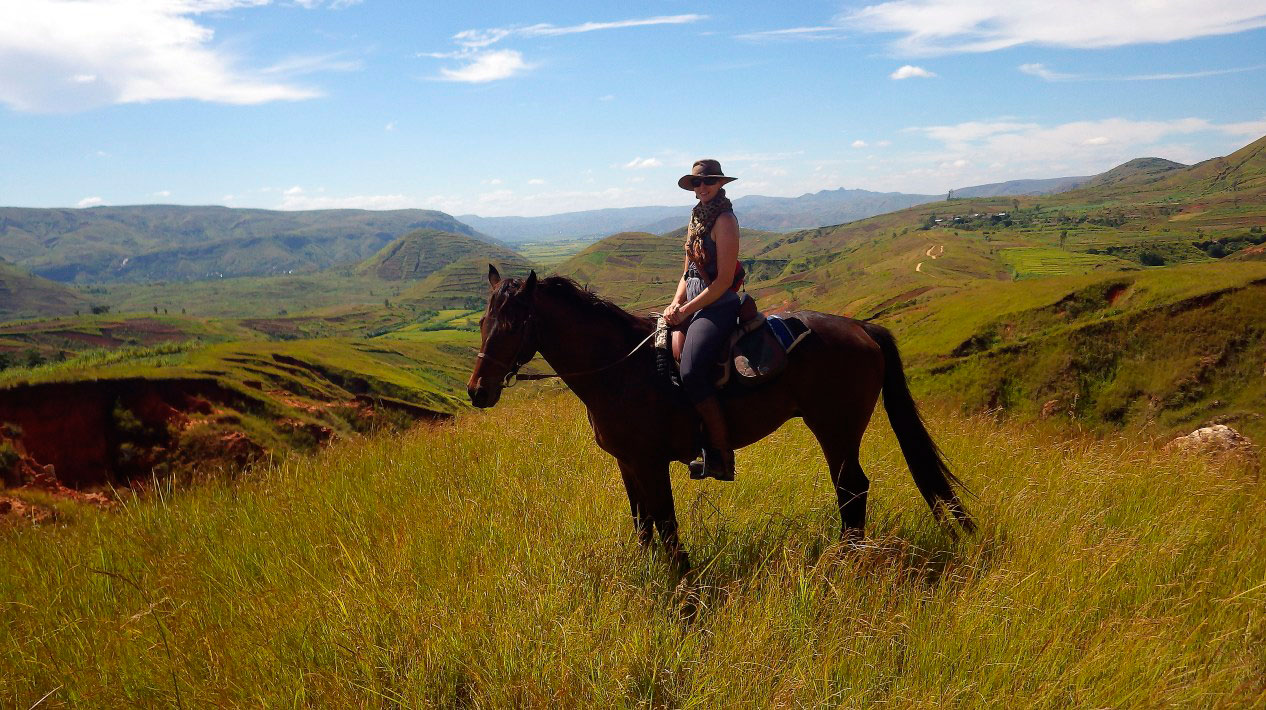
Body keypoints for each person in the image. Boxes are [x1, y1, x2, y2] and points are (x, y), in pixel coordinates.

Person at [663, 158, 743, 481]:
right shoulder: (696, 218)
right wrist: (674, 303)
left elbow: (723, 281)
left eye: (709, 181)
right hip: (694, 302)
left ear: (720, 184)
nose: (703, 187)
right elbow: (688, 271)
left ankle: (721, 455)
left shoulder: (724, 221)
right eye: (697, 183)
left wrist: (687, 309)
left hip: (718, 306)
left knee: (692, 370)